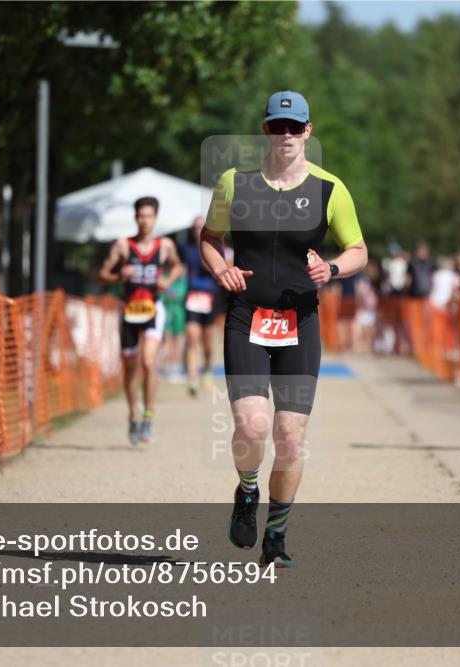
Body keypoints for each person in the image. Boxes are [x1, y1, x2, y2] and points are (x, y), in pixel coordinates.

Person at [201, 90, 367, 567]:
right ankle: (247, 490)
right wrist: (220, 270)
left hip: (301, 323)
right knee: (251, 429)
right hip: (246, 319)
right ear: (265, 130)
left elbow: (358, 249)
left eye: (295, 128)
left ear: (308, 131)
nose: (287, 135)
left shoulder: (329, 189)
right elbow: (209, 239)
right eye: (278, 127)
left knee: (290, 437)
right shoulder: (235, 183)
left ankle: (276, 537)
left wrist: (332, 270)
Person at [98, 196, 182, 446]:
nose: (145, 221)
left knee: (148, 361)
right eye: (141, 216)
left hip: (153, 308)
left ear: (155, 218)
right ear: (135, 218)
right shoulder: (123, 246)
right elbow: (102, 274)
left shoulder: (164, 245)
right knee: (130, 366)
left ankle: (149, 414)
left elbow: (177, 266)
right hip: (129, 310)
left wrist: (167, 280)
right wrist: (117, 276)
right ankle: (133, 412)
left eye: (149, 216)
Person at [181, 216, 219, 397]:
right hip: (192, 297)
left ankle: (207, 369)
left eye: (200, 227)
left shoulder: (216, 248)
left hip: (210, 298)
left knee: (207, 343)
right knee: (192, 339)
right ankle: (192, 379)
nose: (198, 230)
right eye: (195, 227)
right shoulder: (186, 249)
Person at [160, 265, 188, 383]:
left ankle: (173, 368)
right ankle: (161, 368)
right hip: (169, 313)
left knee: (179, 342)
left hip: (178, 314)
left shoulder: (180, 280)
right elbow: (170, 296)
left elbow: (179, 295)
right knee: (168, 343)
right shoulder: (168, 279)